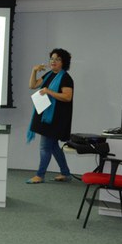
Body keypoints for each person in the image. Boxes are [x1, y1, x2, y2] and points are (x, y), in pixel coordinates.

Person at [26, 48, 74, 184]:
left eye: (57, 59)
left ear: (63, 62)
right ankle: (66, 173)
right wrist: (34, 70)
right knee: (53, 147)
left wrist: (49, 91)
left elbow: (67, 97)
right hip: (46, 116)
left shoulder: (66, 78)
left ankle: (40, 175)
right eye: (52, 59)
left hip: (56, 119)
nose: (53, 61)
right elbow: (32, 85)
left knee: (45, 147)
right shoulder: (49, 75)